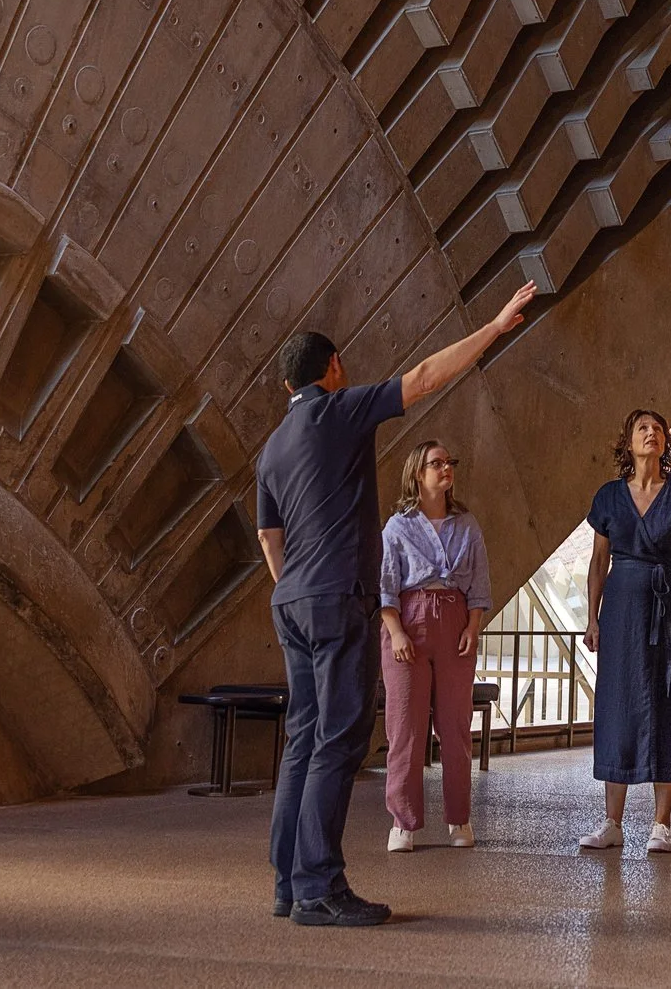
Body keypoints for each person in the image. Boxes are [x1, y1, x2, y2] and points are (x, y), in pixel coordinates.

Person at [254, 281, 535, 927]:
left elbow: (270, 535)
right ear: (333, 368)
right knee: (338, 738)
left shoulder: (271, 447)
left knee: (301, 737)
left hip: (291, 597)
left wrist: (291, 583)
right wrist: (493, 326)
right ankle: (321, 885)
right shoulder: (338, 410)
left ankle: (286, 882)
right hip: (332, 596)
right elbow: (425, 375)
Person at [576, 408, 671, 854]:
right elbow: (598, 563)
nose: (651, 434)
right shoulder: (609, 496)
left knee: (667, 702)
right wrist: (592, 617)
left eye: (657, 429)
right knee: (617, 705)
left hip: (665, 605)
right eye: (642, 429)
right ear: (628, 442)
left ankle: (661, 824)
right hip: (621, 609)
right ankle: (612, 822)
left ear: (666, 441)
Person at [379, 439, 490, 853]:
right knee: (405, 726)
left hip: (455, 620)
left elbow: (479, 585)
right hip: (408, 621)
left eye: (450, 462)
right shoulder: (397, 526)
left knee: (456, 726)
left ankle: (459, 818)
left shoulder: (468, 525)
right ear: (418, 474)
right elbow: (386, 585)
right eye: (436, 463)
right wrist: (396, 632)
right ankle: (403, 823)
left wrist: (473, 626)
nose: (446, 468)